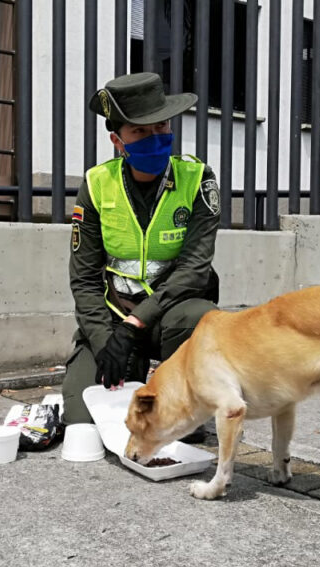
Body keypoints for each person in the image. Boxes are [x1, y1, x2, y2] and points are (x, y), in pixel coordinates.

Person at [62, 72, 221, 439]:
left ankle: (184, 396)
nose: (155, 137)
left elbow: (195, 269)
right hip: (115, 316)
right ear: (118, 141)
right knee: (85, 425)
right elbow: (84, 278)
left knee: (199, 315)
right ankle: (131, 374)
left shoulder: (197, 179)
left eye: (161, 125)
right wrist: (107, 343)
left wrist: (136, 326)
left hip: (170, 316)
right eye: (140, 131)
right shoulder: (97, 184)